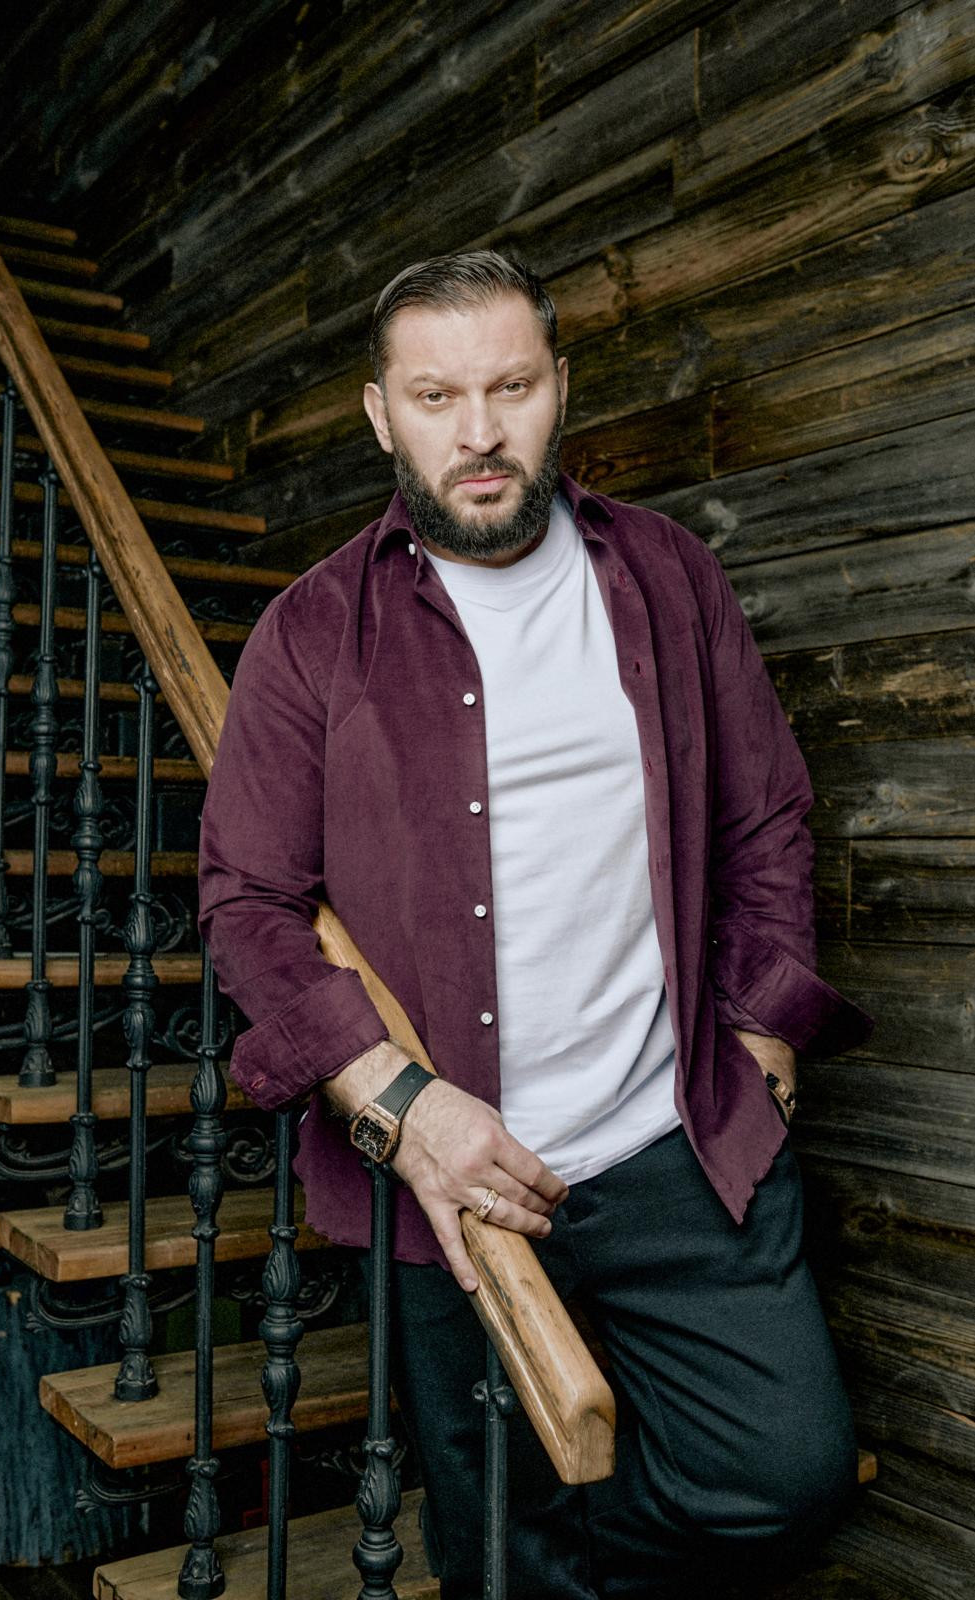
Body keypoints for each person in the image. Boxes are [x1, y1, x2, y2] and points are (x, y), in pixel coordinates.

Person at [198, 251, 873, 1598]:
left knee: (784, 1474)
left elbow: (765, 819)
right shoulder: (311, 632)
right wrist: (406, 1113)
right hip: (455, 1183)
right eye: (435, 395)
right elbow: (247, 903)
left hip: (674, 1140)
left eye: (509, 386)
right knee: (499, 1537)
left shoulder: (669, 576)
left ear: (559, 385)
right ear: (380, 414)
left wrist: (762, 1037)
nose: (479, 431)